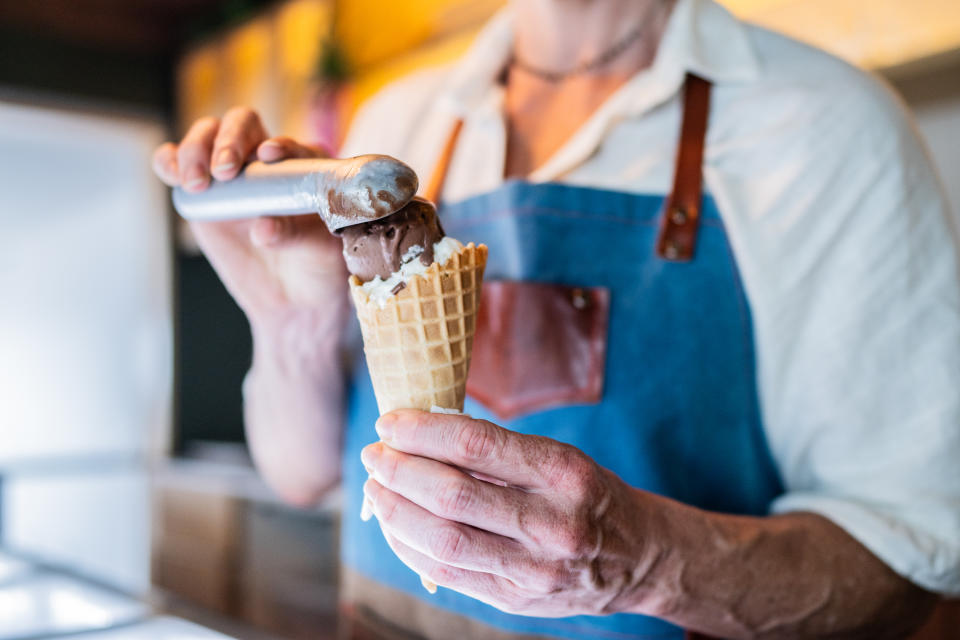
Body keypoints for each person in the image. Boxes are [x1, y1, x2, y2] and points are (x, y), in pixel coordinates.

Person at [153, 0, 960, 637]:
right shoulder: (395, 124)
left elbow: (905, 575)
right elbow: (302, 474)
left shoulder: (827, 127)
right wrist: (290, 322)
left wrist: (644, 564)